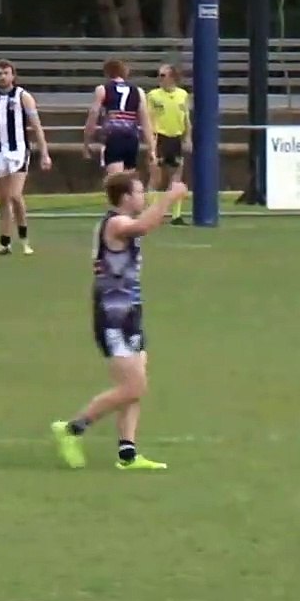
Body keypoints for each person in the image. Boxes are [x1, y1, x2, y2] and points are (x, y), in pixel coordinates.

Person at [51, 172, 188, 471]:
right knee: (134, 387)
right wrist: (169, 197)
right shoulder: (115, 223)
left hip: (130, 313)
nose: (144, 197)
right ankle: (72, 429)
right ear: (125, 197)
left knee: (135, 383)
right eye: (140, 192)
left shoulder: (121, 224)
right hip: (112, 316)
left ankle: (127, 454)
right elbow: (143, 226)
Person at [0, 60, 51, 257]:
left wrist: (44, 152)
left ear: (13, 76)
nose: (2, 76)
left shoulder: (23, 96)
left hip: (18, 151)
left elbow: (36, 126)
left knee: (15, 195)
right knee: (3, 198)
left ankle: (24, 239)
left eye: (6, 73)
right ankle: (4, 243)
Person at [83, 59, 156, 175]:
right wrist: (152, 148)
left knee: (116, 179)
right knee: (129, 179)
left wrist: (86, 142)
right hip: (132, 137)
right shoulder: (138, 91)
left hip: (114, 135)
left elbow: (93, 115)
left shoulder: (103, 89)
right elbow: (145, 121)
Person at [146, 64, 192, 225]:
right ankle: (151, 213)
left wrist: (188, 137)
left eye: (162, 75)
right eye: (159, 75)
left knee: (177, 176)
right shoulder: (153, 95)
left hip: (176, 138)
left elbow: (186, 118)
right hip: (160, 137)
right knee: (156, 176)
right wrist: (151, 141)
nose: (159, 78)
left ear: (172, 77)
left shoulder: (182, 94)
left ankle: (176, 215)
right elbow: (148, 119)